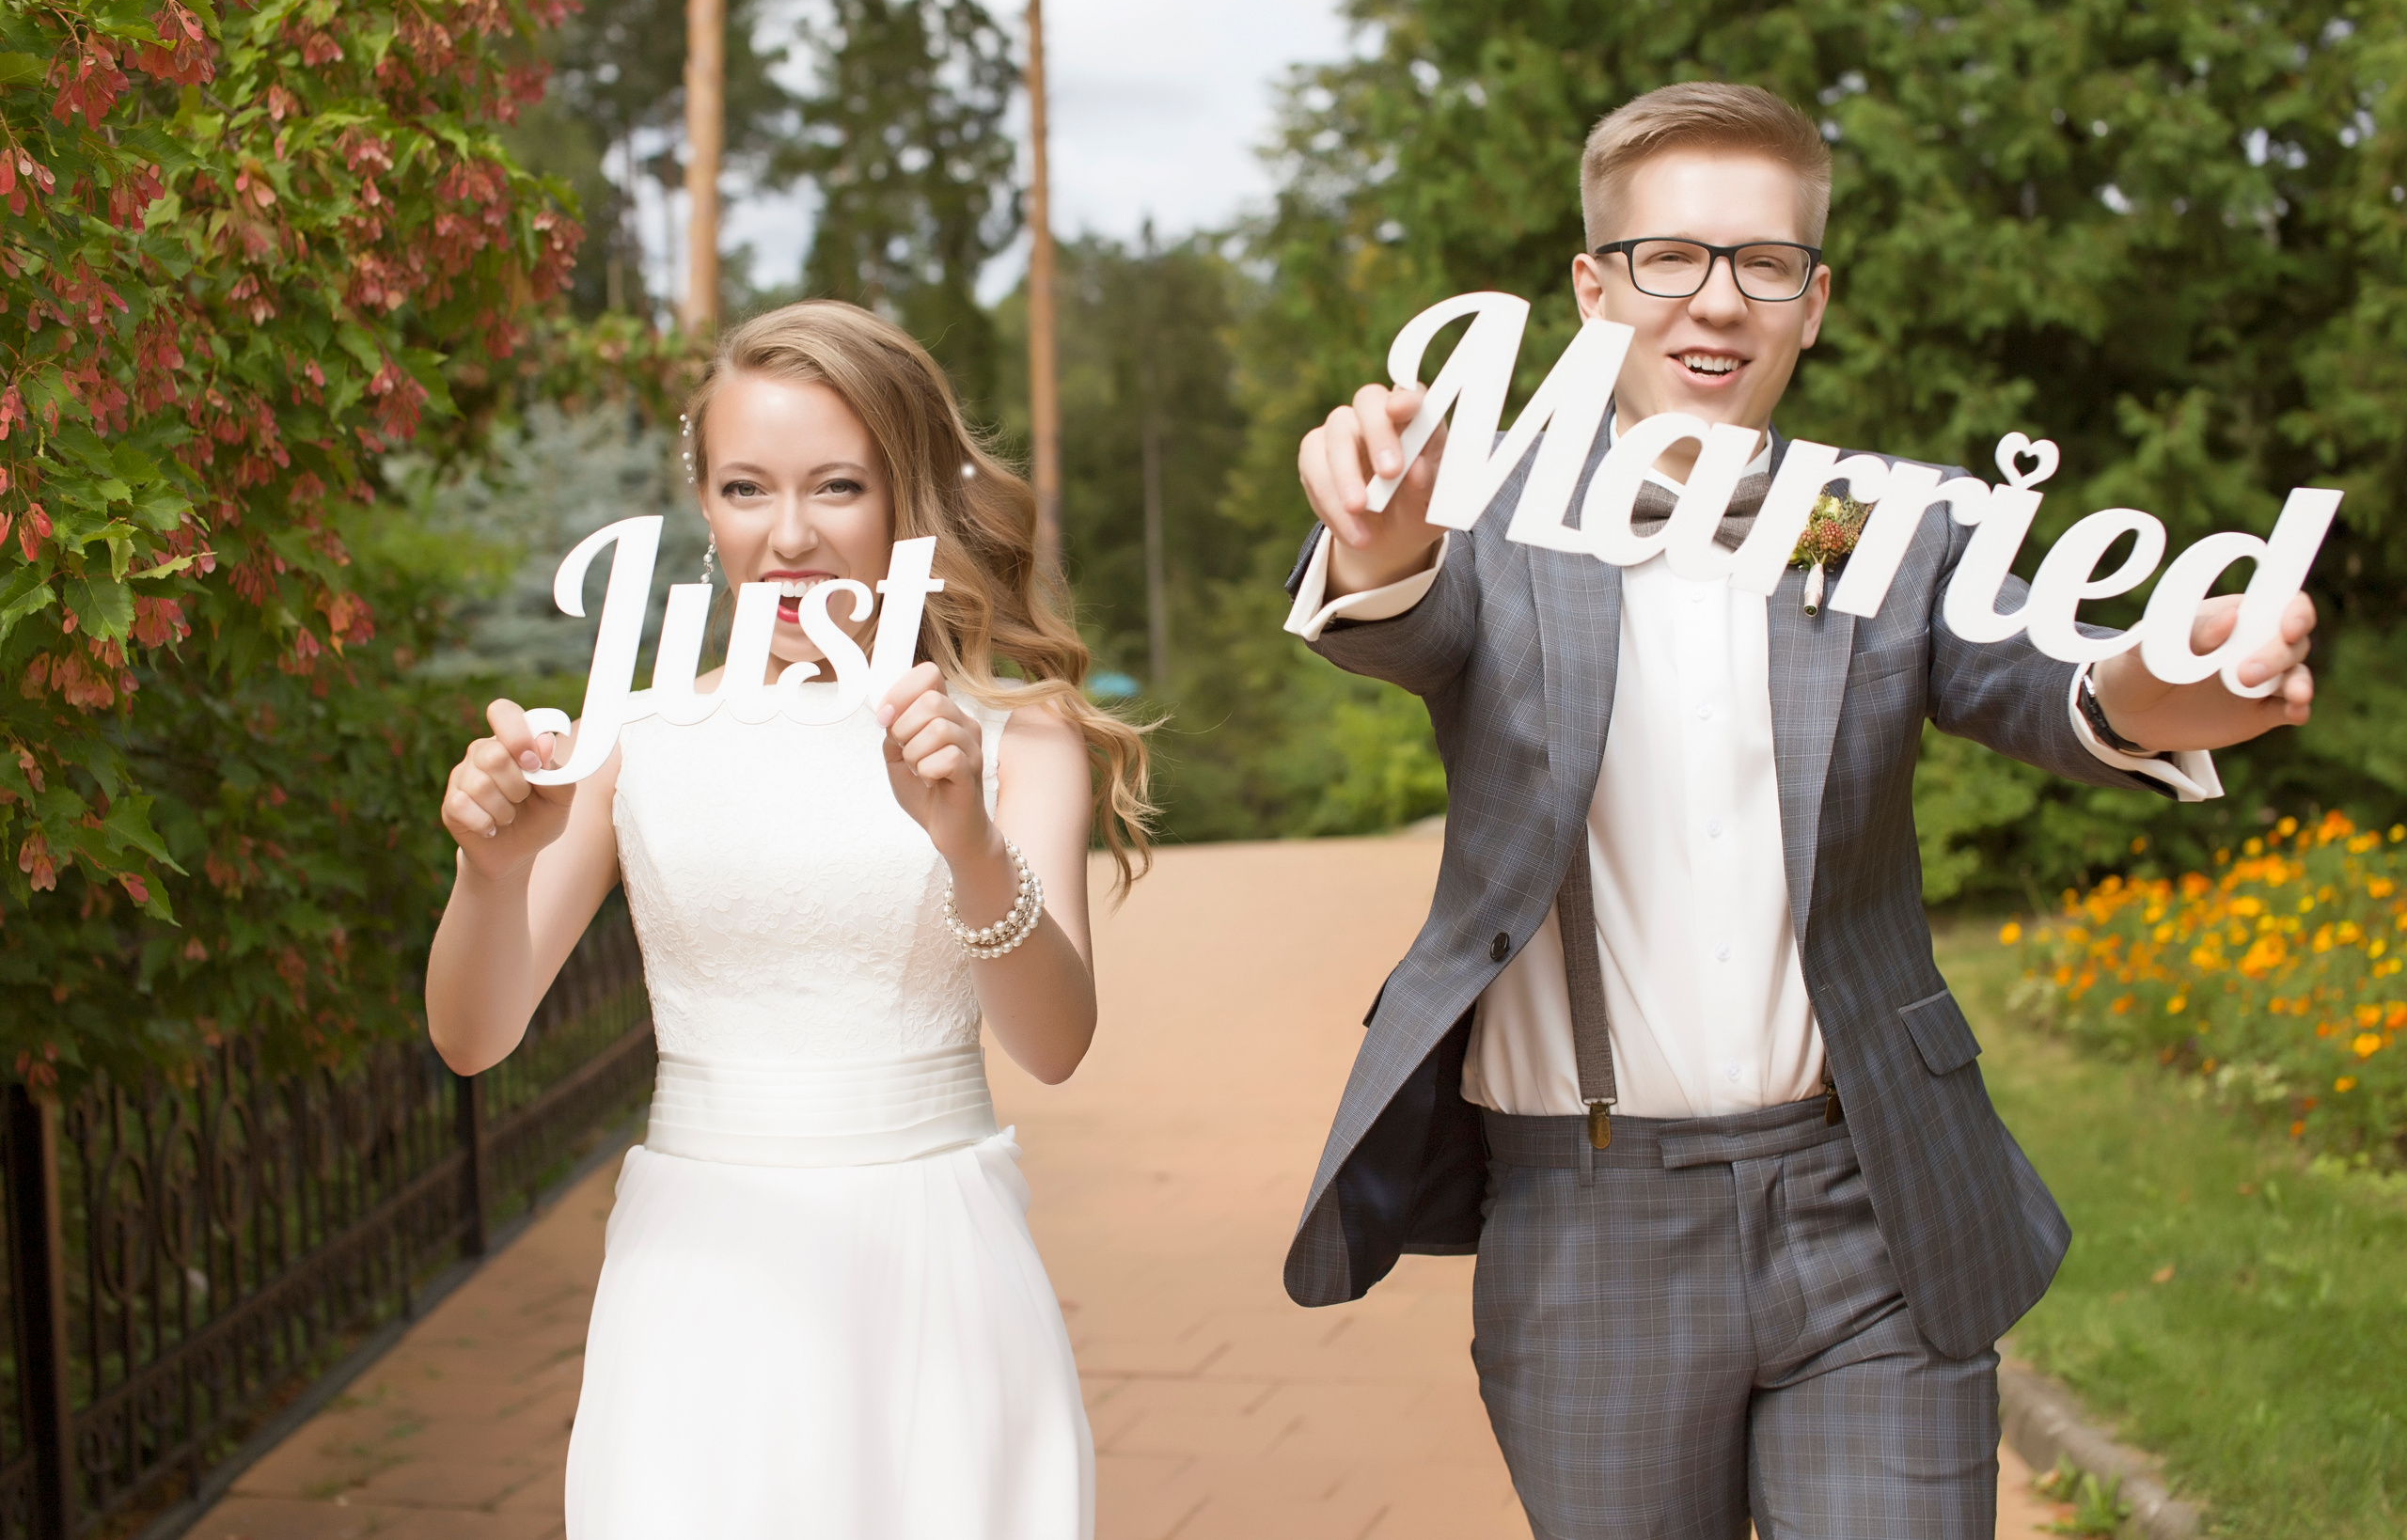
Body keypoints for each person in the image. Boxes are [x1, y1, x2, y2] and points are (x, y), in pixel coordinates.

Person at [1284, 83, 2319, 1539]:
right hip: (1589, 1225)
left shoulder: (1886, 527)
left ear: (1813, 301)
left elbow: (2063, 685)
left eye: (1764, 262)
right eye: (1670, 257)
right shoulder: (1482, 513)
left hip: (1867, 1197)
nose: (1717, 299)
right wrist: (1379, 541)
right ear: (1594, 288)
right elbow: (1396, 611)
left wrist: (2178, 670)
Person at [425, 301, 1150, 1539]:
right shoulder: (633, 740)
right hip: (698, 1275)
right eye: (748, 488)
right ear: (704, 505)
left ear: (904, 497)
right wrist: (489, 876)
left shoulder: (1018, 738)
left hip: (935, 1264)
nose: (793, 533)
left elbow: (1056, 1042)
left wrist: (966, 842)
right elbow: (474, 1038)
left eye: (839, 486)